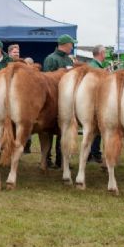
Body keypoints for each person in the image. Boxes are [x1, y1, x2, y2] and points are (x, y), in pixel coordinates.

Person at [43, 34, 77, 167]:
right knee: (48, 130)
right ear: (66, 44)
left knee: (63, 130)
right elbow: (47, 79)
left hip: (67, 99)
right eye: (71, 44)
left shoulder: (69, 60)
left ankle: (61, 159)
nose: (72, 46)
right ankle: (47, 158)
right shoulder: (51, 59)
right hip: (54, 100)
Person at [87, 45, 107, 163]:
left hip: (89, 102)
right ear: (101, 53)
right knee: (96, 129)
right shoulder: (96, 68)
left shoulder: (92, 66)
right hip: (95, 102)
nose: (105, 55)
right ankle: (94, 153)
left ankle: (91, 153)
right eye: (104, 52)